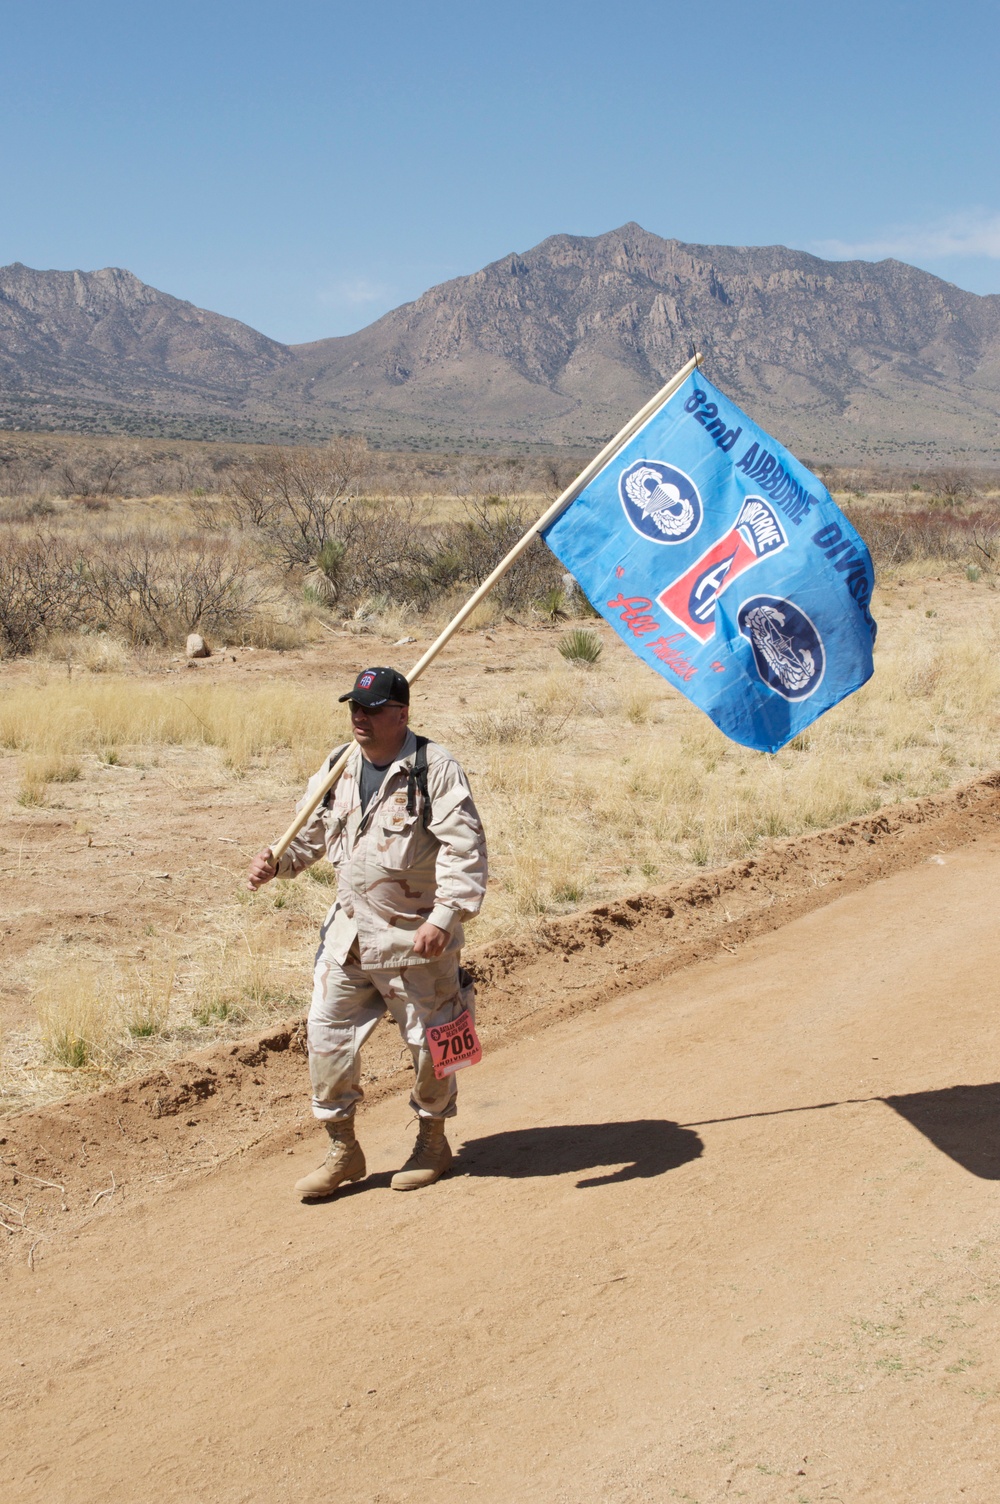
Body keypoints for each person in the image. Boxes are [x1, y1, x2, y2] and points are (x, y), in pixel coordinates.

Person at [248, 666, 488, 1198]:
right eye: (355, 707)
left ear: (402, 713)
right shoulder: (338, 765)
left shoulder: (435, 769)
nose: (360, 717)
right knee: (326, 1039)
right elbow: (307, 837)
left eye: (373, 709)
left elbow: (464, 850)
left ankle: (432, 1141)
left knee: (434, 1047)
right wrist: (278, 862)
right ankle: (343, 1150)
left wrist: (444, 918)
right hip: (349, 939)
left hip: (416, 941)